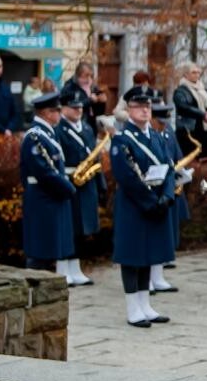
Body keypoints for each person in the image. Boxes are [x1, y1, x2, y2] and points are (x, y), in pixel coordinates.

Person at [109, 86, 175, 329]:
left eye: (147, 106)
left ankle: (145, 304)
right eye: (138, 106)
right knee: (132, 255)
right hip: (134, 205)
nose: (145, 110)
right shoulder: (122, 139)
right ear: (128, 110)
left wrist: (167, 196)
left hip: (158, 202)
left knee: (149, 254)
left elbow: (169, 168)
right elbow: (126, 177)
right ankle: (132, 308)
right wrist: (149, 202)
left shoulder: (156, 137)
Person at [21, 91, 75, 271]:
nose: (59, 114)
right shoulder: (35, 136)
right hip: (42, 200)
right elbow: (44, 171)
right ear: (45, 113)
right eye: (56, 110)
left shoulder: (49, 133)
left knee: (50, 253)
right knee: (40, 252)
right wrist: (68, 188)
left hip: (51, 198)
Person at [55, 86, 102, 286]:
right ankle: (62, 268)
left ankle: (75, 268)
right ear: (64, 108)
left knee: (82, 227)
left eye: (80, 107)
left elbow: (94, 155)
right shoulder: (59, 129)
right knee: (68, 227)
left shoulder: (87, 128)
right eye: (74, 107)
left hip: (87, 182)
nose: (78, 110)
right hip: (69, 180)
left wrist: (100, 183)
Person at [149, 100, 190, 291]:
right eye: (160, 122)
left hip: (168, 186)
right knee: (151, 235)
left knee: (164, 233)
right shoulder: (149, 135)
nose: (163, 125)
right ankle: (148, 278)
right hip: (152, 188)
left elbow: (176, 156)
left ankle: (158, 276)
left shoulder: (167, 132)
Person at [173, 62, 207, 155]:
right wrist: (203, 114)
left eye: (198, 72)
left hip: (206, 128)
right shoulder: (180, 91)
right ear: (186, 74)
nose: (197, 75)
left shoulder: (203, 88)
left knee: (205, 155)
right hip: (189, 130)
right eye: (193, 72)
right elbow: (184, 107)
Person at [63, 61, 106, 132]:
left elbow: (99, 112)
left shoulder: (93, 88)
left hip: (91, 126)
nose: (89, 79)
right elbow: (73, 105)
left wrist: (101, 102)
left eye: (91, 76)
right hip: (76, 126)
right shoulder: (70, 88)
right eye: (86, 75)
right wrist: (90, 100)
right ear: (78, 75)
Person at [0, 56, 22, 134]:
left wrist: (10, 128)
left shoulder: (6, 88)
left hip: (5, 136)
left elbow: (15, 112)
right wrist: (3, 130)